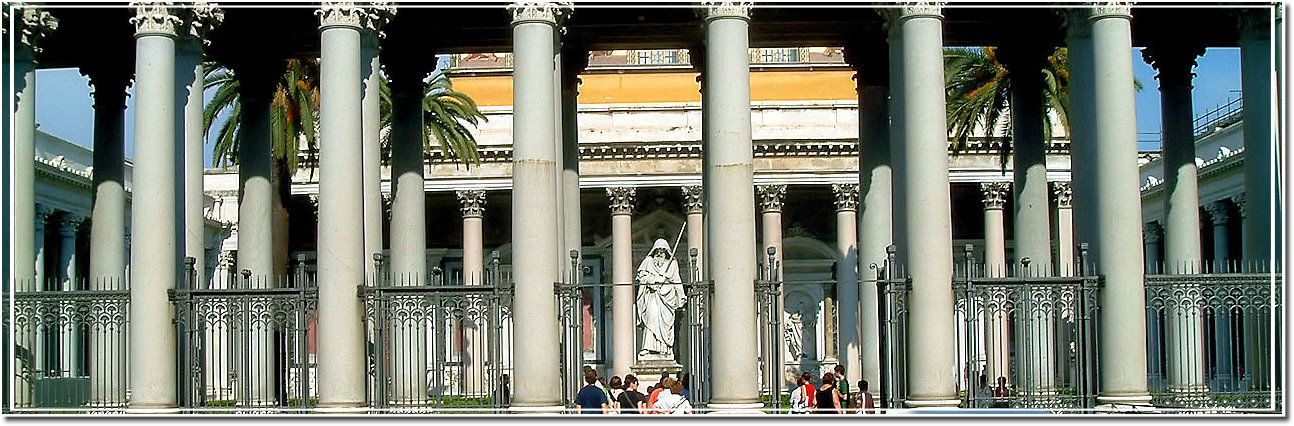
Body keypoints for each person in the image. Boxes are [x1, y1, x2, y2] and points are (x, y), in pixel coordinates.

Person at [636, 238, 686, 358]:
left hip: (667, 298)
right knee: (651, 319)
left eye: (663, 251)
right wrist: (653, 280)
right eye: (658, 250)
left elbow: (677, 281)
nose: (660, 253)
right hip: (653, 296)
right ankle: (647, 348)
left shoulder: (672, 264)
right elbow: (641, 276)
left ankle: (665, 348)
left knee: (666, 324)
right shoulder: (648, 261)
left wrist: (681, 295)